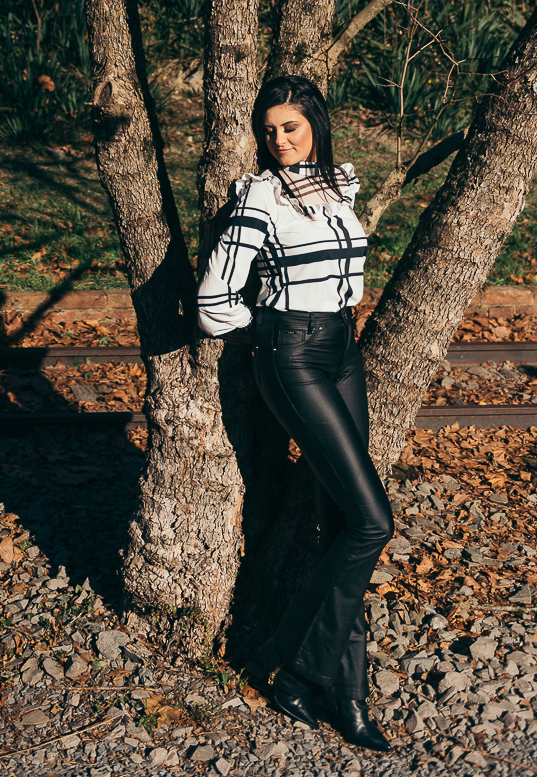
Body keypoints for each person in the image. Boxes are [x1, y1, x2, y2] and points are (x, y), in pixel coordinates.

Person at [196, 73, 395, 753]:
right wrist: (269, 335)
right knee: (374, 521)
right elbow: (213, 300)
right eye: (269, 131)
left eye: (290, 127)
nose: (278, 141)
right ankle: (289, 660)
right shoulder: (257, 198)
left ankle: (346, 693)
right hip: (292, 355)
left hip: (343, 351)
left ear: (315, 123)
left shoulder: (336, 189)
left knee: (344, 526)